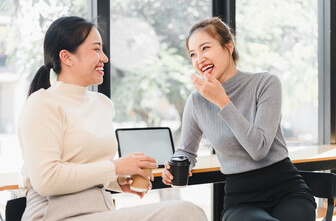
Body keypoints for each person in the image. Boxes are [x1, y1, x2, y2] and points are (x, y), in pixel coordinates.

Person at [18, 16, 207, 221]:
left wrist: (117, 180)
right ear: (67, 57)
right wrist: (115, 168)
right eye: (96, 49)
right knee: (186, 213)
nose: (105, 58)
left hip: (101, 211)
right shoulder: (43, 103)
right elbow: (47, 180)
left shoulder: (102, 104)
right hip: (55, 215)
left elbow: (88, 168)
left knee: (187, 212)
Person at [161, 17, 317, 221]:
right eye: (193, 54)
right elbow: (187, 151)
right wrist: (176, 166)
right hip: (241, 199)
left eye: (205, 48)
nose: (199, 59)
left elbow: (258, 149)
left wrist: (222, 101)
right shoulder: (196, 101)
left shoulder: (265, 83)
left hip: (287, 190)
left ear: (229, 46)